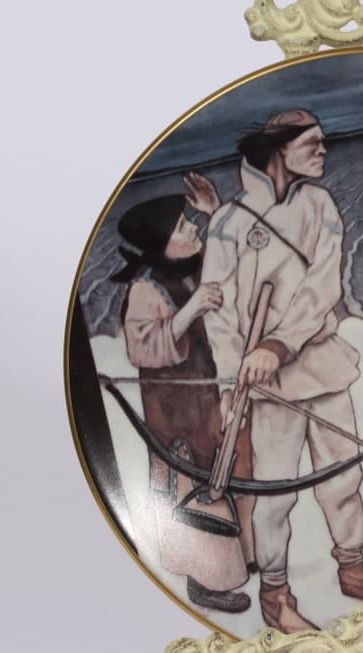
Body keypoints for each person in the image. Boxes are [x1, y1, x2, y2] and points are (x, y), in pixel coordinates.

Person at [200, 109, 363, 633]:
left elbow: (324, 286)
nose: (323, 151)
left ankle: (354, 569)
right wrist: (231, 380)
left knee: (344, 475)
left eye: (323, 142)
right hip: (262, 383)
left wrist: (279, 343)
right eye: (312, 143)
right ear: (281, 150)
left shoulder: (320, 205)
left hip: (318, 361)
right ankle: (276, 596)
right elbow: (217, 312)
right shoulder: (228, 222)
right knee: (274, 494)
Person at [112, 182, 255, 613]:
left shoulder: (189, 270)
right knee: (191, 491)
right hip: (174, 413)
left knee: (224, 474)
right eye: (181, 226)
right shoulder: (145, 290)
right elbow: (142, 348)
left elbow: (230, 261)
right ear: (161, 245)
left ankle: (239, 560)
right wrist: (191, 310)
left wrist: (214, 214)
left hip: (204, 401)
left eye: (189, 222)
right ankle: (207, 581)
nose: (191, 229)